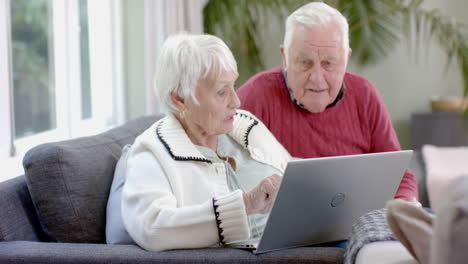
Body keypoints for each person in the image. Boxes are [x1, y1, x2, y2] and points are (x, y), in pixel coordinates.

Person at [121, 33, 292, 251]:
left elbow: (290, 167)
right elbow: (153, 227)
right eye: (222, 92)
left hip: (308, 238)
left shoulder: (245, 125)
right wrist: (246, 205)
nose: (236, 101)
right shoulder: (151, 153)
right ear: (179, 99)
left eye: (233, 85)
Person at [237, 2, 418, 202]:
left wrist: (406, 204)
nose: (317, 77)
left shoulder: (364, 95)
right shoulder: (255, 96)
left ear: (346, 59)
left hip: (358, 222)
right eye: (305, 62)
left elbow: (397, 173)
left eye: (328, 63)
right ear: (285, 57)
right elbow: (228, 179)